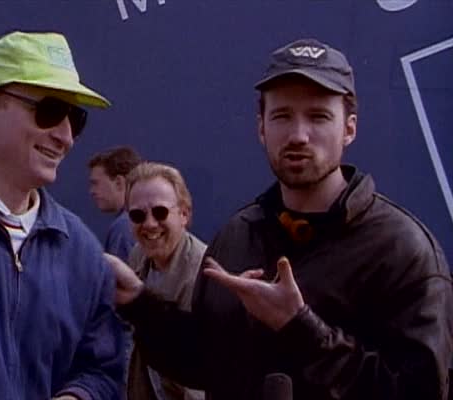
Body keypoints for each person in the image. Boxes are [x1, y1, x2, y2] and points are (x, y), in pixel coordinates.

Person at [108, 38, 453, 399]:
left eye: (318, 116)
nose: (298, 135)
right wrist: (138, 302)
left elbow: (420, 391)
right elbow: (206, 361)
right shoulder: (237, 236)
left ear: (349, 129)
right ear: (261, 128)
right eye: (282, 116)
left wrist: (300, 327)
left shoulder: (402, 250)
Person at [0, 31, 124, 399]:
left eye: (75, 118)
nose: (66, 136)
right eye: (50, 110)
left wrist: (76, 396)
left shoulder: (81, 250)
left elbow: (102, 370)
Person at [123, 161, 206, 400]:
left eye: (160, 212)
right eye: (138, 215)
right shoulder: (138, 257)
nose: (149, 224)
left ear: (184, 214)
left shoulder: (205, 276)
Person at [88, 146, 142, 262]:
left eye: (95, 183)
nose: (92, 191)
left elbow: (120, 274)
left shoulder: (123, 227)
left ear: (119, 182)